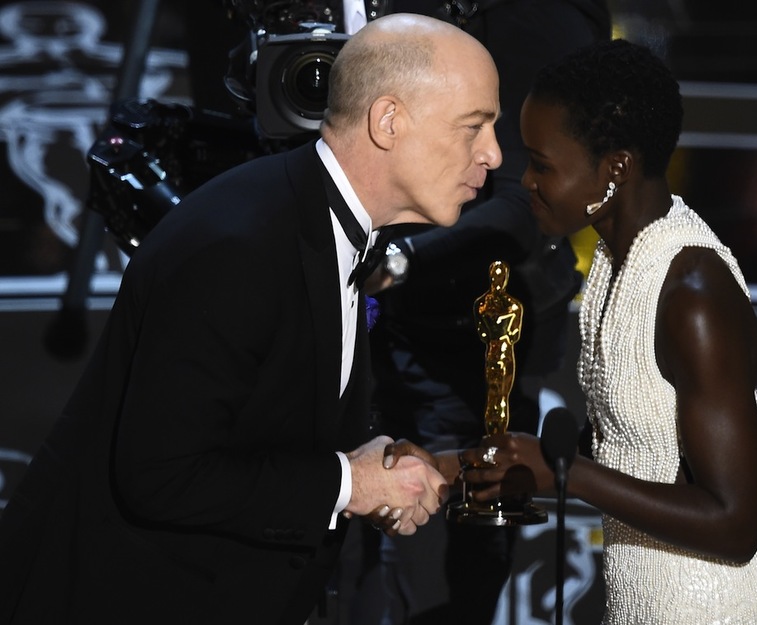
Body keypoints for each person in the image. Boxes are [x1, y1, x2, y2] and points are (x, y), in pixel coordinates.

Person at [0, 13, 501, 625]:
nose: (493, 154)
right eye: (474, 127)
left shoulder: (316, 222)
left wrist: (359, 459)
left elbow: (255, 427)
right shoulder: (239, 244)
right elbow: (160, 473)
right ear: (388, 120)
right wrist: (350, 484)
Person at [397, 38, 757, 623]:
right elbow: (632, 447)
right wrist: (446, 468)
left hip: (720, 610)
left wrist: (569, 475)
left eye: (543, 164)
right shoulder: (618, 262)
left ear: (614, 168)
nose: (526, 181)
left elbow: (735, 522)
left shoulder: (692, 294)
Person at [350, 2, 611, 624]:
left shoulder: (537, 28)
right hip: (385, 332)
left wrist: (401, 264)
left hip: (474, 350)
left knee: (442, 565)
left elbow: (529, 203)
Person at [475, 260, 523, 435]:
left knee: (497, 395)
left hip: (497, 351)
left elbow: (484, 334)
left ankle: (496, 437)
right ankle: (495, 437)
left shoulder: (482, 306)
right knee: (497, 395)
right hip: (500, 351)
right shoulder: (511, 306)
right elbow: (514, 334)